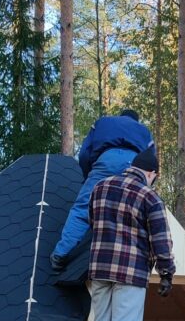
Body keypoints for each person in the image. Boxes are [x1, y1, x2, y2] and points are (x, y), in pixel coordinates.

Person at [88, 149, 175, 321]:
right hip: (130, 271)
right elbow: (161, 240)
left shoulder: (99, 188)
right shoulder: (149, 197)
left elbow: (93, 223)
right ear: (151, 173)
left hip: (98, 268)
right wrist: (166, 273)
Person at [50, 109, 155, 270]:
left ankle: (60, 254)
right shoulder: (145, 132)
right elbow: (151, 163)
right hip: (134, 165)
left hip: (107, 161)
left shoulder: (103, 122)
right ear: (137, 119)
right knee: (130, 212)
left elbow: (85, 153)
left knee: (83, 208)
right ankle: (126, 262)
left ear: (120, 115)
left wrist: (88, 176)